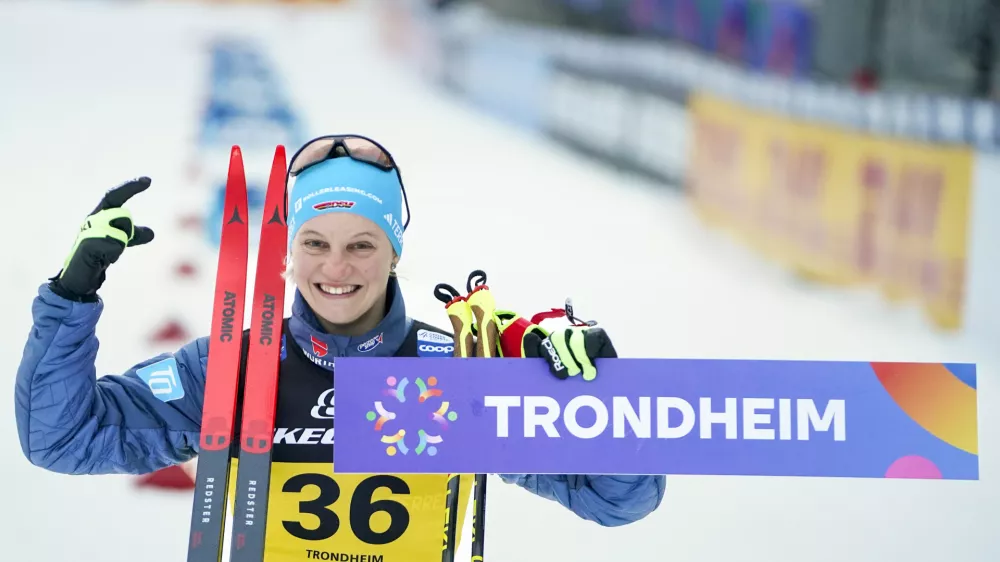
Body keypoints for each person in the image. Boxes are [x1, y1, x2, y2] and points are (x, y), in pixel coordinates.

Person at [14, 135, 666, 561]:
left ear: (395, 252)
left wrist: (597, 389)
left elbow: (617, 496)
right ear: (288, 253)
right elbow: (65, 438)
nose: (338, 268)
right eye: (316, 243)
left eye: (362, 244)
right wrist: (71, 297)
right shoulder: (232, 368)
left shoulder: (455, 375)